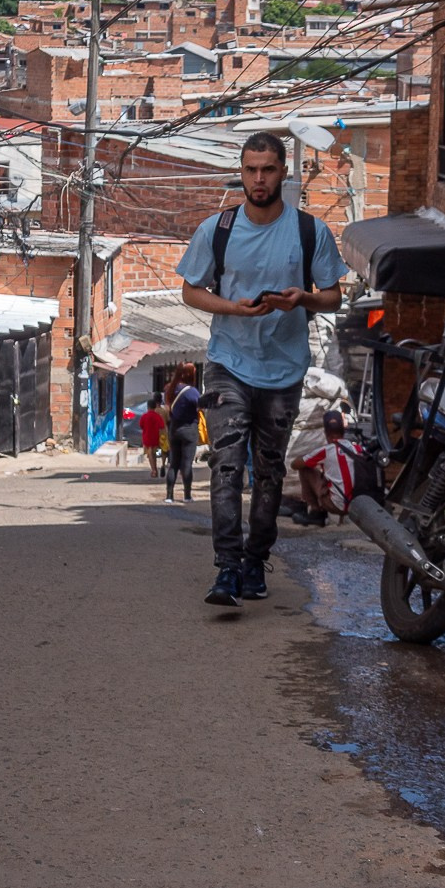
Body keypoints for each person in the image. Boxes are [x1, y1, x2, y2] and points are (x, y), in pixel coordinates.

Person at [177, 130, 347, 606]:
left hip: (285, 369)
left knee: (268, 471)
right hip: (228, 363)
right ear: (242, 171)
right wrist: (234, 309)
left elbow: (334, 295)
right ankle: (227, 569)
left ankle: (256, 561)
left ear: (282, 173)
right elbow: (191, 290)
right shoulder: (219, 229)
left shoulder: (310, 231)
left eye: (267, 169)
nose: (258, 179)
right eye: (250, 170)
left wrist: (303, 298)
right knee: (227, 465)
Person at [293, 409, 362, 527]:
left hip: (335, 505)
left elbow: (294, 465)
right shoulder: (357, 449)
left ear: (325, 432)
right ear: (344, 430)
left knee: (305, 470)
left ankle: (316, 513)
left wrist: (306, 456)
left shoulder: (325, 451)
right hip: (358, 504)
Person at [164, 371, 202, 504]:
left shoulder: (169, 390)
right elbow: (200, 405)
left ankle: (169, 496)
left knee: (173, 463)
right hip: (189, 429)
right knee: (186, 464)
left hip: (174, 429)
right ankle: (187, 495)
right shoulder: (192, 392)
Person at [139, 399, 167, 479]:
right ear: (155, 407)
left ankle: (154, 470)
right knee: (154, 453)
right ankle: (155, 469)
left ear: (147, 407)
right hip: (155, 437)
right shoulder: (157, 416)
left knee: (150, 454)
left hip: (147, 437)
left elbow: (141, 425)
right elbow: (162, 426)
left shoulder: (144, 416)